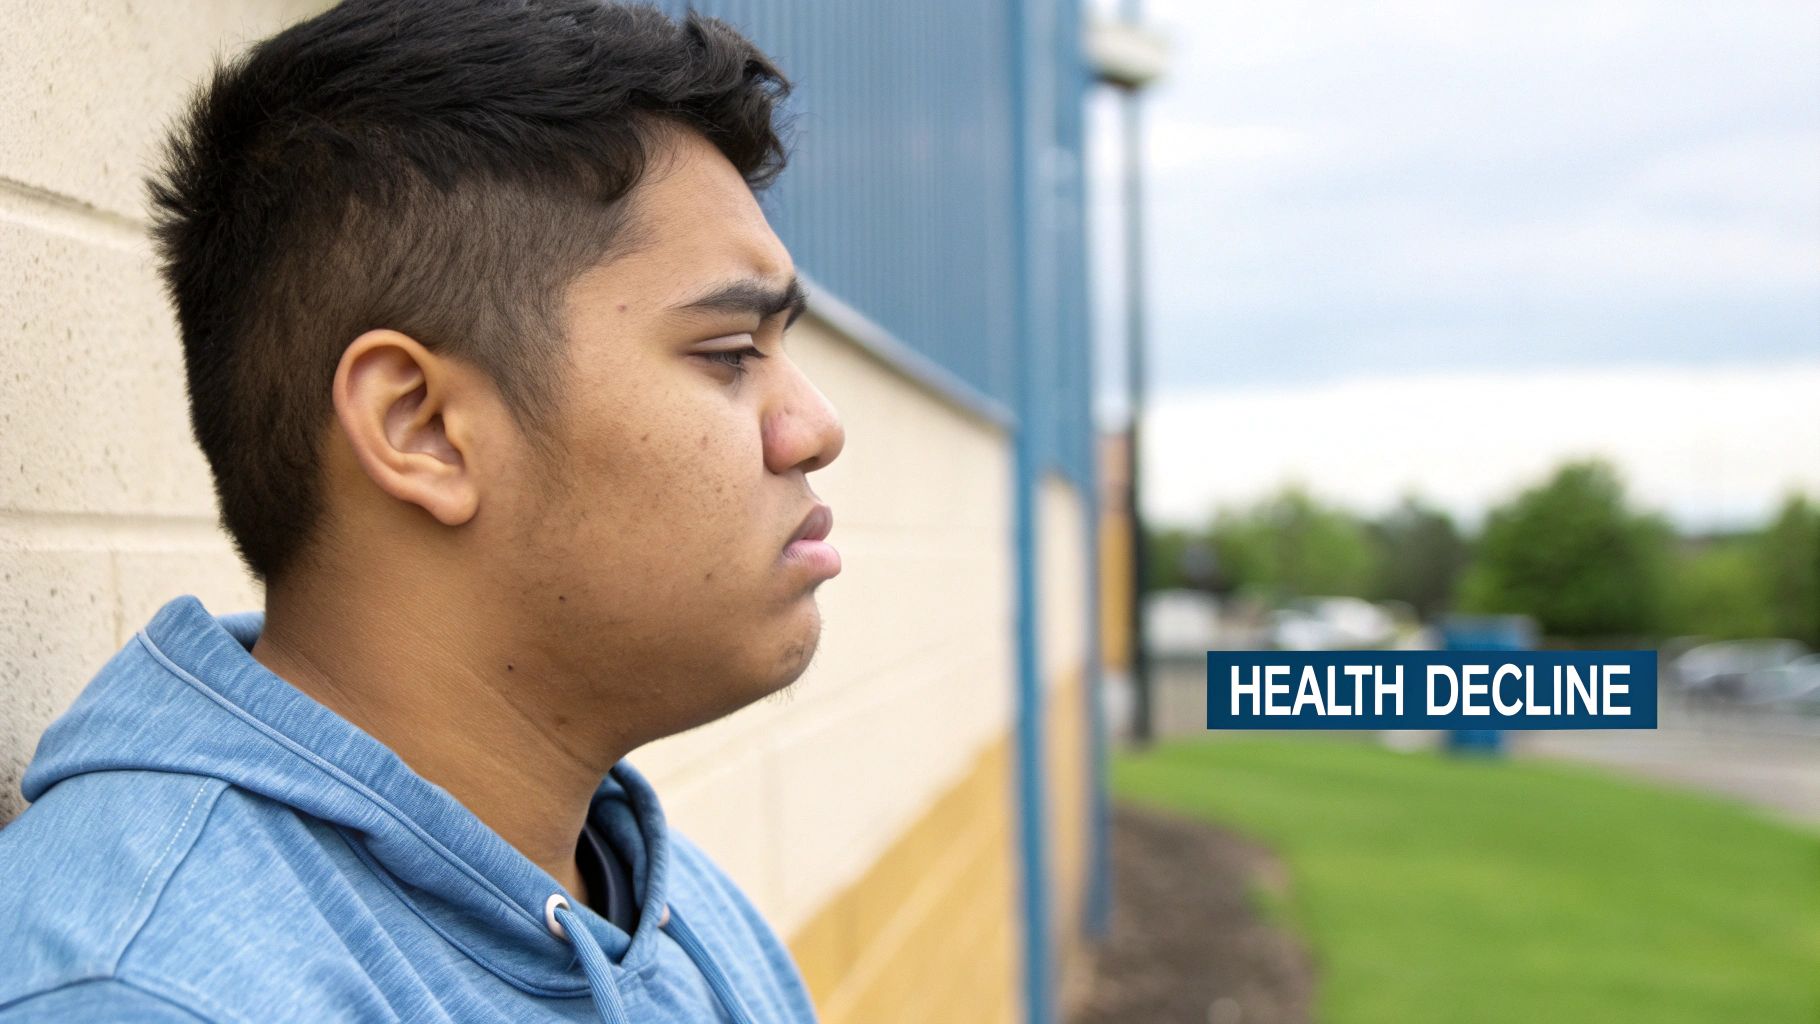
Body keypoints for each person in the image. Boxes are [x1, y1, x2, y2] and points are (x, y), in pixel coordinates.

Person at [0, 1, 843, 1020]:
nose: (814, 427)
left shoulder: (678, 921)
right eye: (728, 354)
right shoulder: (157, 991)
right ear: (421, 427)